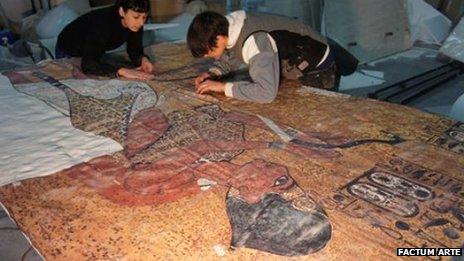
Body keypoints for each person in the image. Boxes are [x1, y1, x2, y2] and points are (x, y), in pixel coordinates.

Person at [187, 11, 358, 103]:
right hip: (297, 58)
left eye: (209, 52)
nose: (210, 56)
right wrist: (214, 73)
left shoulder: (254, 41)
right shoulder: (229, 26)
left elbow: (266, 93)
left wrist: (223, 87)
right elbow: (232, 52)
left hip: (318, 67)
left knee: (316, 129)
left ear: (218, 38)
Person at [56, 0, 154, 80]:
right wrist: (121, 71)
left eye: (144, 17)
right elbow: (88, 64)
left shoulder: (135, 23)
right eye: (136, 17)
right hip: (69, 48)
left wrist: (143, 60)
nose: (141, 23)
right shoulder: (103, 25)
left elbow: (134, 49)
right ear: (122, 12)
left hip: (92, 46)